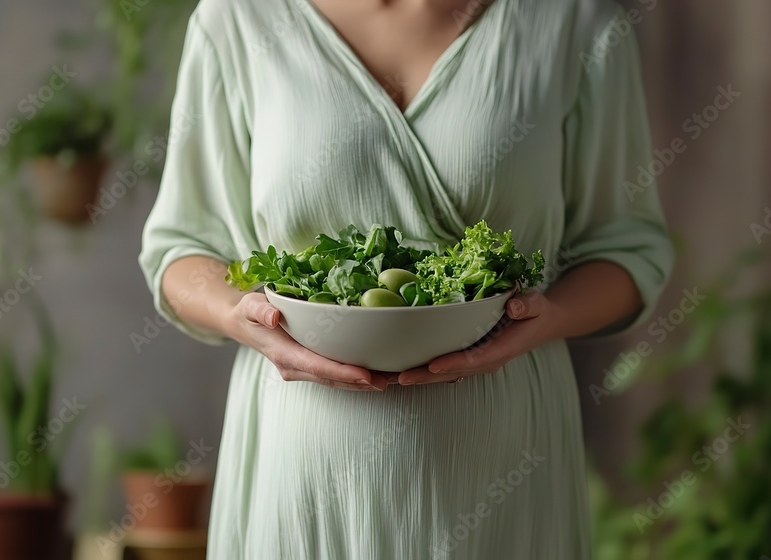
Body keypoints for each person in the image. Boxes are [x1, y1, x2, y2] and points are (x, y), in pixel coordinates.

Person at [139, 0, 674, 557]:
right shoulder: (237, 19)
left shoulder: (574, 21)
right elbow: (181, 247)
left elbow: (626, 247)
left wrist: (547, 319)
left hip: (500, 441)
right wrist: (239, 316)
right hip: (304, 451)